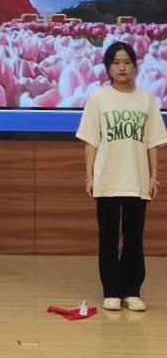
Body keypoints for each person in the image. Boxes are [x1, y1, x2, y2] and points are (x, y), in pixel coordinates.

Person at [76, 40, 167, 312]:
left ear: (135, 66)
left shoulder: (147, 99)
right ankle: (112, 291)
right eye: (116, 62)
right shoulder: (98, 98)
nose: (122, 67)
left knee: (134, 238)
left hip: (137, 180)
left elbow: (153, 141)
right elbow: (90, 141)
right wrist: (89, 177)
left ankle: (132, 291)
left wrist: (154, 177)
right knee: (108, 238)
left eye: (127, 62)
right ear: (107, 67)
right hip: (107, 179)